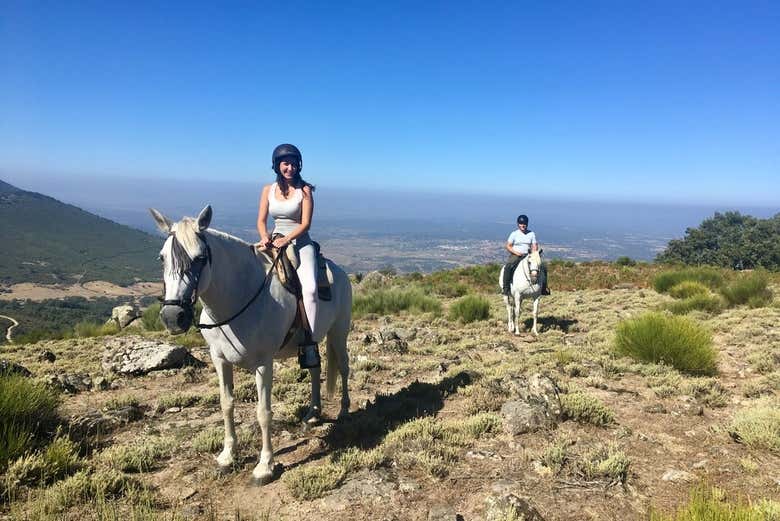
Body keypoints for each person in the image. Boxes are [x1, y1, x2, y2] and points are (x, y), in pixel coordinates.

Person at [256, 143, 320, 366]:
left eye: (293, 164)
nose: (290, 168)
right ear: (277, 165)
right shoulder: (268, 190)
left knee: (310, 289)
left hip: (300, 242)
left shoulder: (305, 191)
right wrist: (265, 236)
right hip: (274, 240)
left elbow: (306, 224)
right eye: (286, 163)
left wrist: (288, 238)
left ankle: (309, 343)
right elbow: (261, 221)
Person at [502, 214, 550, 296]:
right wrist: (516, 253)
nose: (523, 225)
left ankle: (543, 289)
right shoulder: (514, 234)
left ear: (527, 224)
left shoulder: (531, 234)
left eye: (524, 224)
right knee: (508, 266)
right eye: (521, 224)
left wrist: (534, 253)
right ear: (518, 224)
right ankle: (506, 288)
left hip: (528, 255)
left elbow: (534, 245)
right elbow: (508, 246)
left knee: (543, 267)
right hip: (516, 255)